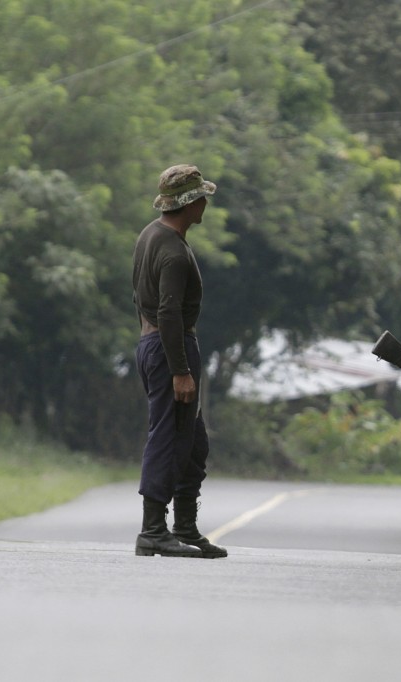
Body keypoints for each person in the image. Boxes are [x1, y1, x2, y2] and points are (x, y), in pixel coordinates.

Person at [131, 164, 227, 559]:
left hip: (154, 344)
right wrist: (180, 371)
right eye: (201, 196)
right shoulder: (172, 250)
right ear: (189, 203)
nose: (206, 202)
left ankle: (184, 526)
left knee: (194, 442)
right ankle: (153, 530)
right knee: (168, 438)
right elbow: (169, 312)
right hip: (171, 348)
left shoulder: (149, 235)